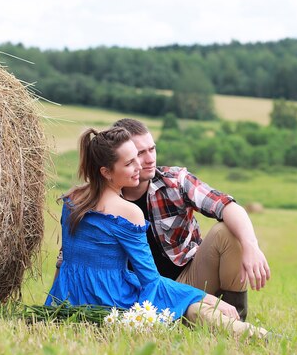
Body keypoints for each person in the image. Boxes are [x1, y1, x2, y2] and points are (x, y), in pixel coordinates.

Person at [46, 127, 267, 338]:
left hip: (73, 297)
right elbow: (150, 281)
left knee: (196, 300)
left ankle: (239, 322)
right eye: (132, 160)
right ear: (106, 171)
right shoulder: (128, 211)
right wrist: (205, 297)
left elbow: (67, 259)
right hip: (117, 297)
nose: (142, 164)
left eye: (149, 151)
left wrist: (55, 303)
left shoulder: (73, 199)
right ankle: (257, 335)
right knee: (196, 309)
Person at [114, 118, 270, 321]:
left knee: (227, 231)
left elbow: (227, 205)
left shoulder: (175, 181)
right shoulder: (106, 198)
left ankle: (235, 317)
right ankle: (199, 316)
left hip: (190, 280)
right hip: (141, 293)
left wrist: (251, 246)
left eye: (152, 149)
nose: (150, 158)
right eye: (140, 153)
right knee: (196, 316)